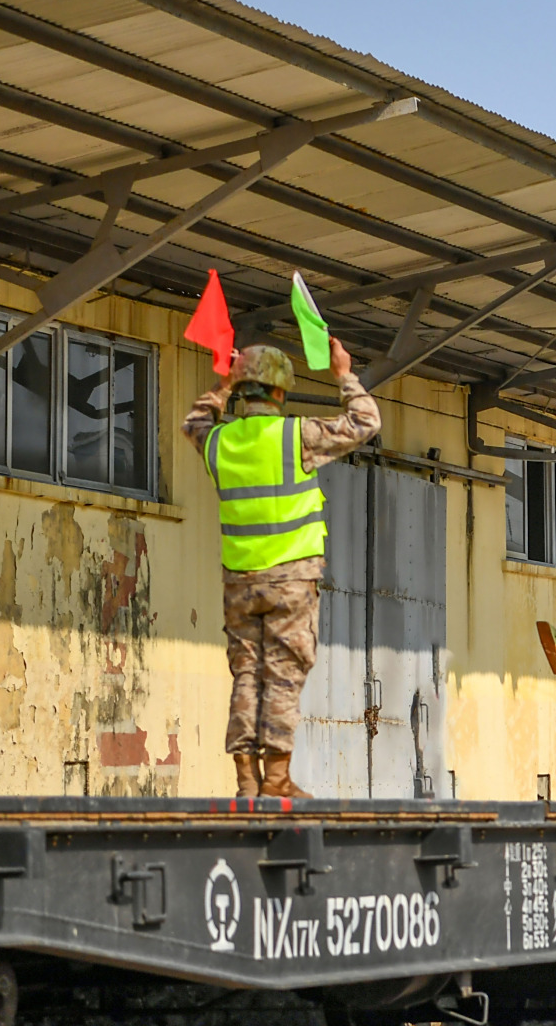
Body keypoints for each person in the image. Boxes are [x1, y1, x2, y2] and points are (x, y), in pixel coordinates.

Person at [183, 337, 380, 798]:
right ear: (280, 391)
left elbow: (194, 420)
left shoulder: (219, 442)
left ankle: (247, 780)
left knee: (247, 674)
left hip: (240, 582)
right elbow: (366, 421)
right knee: (284, 672)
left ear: (241, 390)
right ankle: (276, 779)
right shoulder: (297, 435)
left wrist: (222, 383)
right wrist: (343, 375)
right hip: (290, 579)